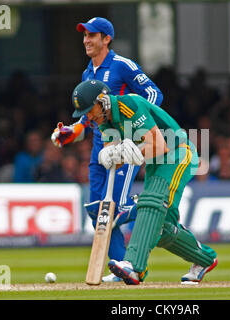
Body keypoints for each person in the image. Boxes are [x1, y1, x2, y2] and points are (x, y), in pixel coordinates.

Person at [69, 79, 217, 285]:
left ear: (102, 100)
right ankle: (205, 259)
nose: (89, 116)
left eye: (90, 110)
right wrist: (110, 156)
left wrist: (130, 152)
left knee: (151, 201)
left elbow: (159, 145)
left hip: (178, 153)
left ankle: (133, 266)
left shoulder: (128, 105)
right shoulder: (104, 122)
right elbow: (115, 155)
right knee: (162, 226)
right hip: (155, 163)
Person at [51, 17, 163, 282]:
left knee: (116, 208)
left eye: (92, 35)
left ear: (106, 38)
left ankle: (153, 210)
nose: (86, 41)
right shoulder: (88, 73)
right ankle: (122, 267)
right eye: (84, 36)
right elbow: (88, 118)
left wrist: (135, 132)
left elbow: (153, 95)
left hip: (125, 147)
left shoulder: (122, 66)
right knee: (97, 212)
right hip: (100, 150)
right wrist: (72, 131)